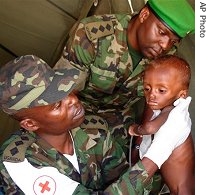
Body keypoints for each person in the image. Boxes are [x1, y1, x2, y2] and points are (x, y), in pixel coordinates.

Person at [0, 55, 191, 195]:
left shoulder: (94, 129)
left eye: (68, 91)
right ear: (31, 124)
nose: (73, 101)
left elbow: (129, 181)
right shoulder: (18, 162)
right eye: (58, 104)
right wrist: (157, 154)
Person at [54, 0, 195, 155]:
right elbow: (64, 92)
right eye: (161, 32)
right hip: (78, 109)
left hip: (121, 117)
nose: (165, 45)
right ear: (144, 15)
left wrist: (139, 143)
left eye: (173, 41)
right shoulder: (92, 34)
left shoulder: (166, 53)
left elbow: (155, 99)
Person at [129, 55, 195, 194]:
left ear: (181, 94)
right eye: (147, 88)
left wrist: (135, 129)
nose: (151, 95)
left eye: (161, 90)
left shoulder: (174, 117)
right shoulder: (170, 108)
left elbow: (149, 128)